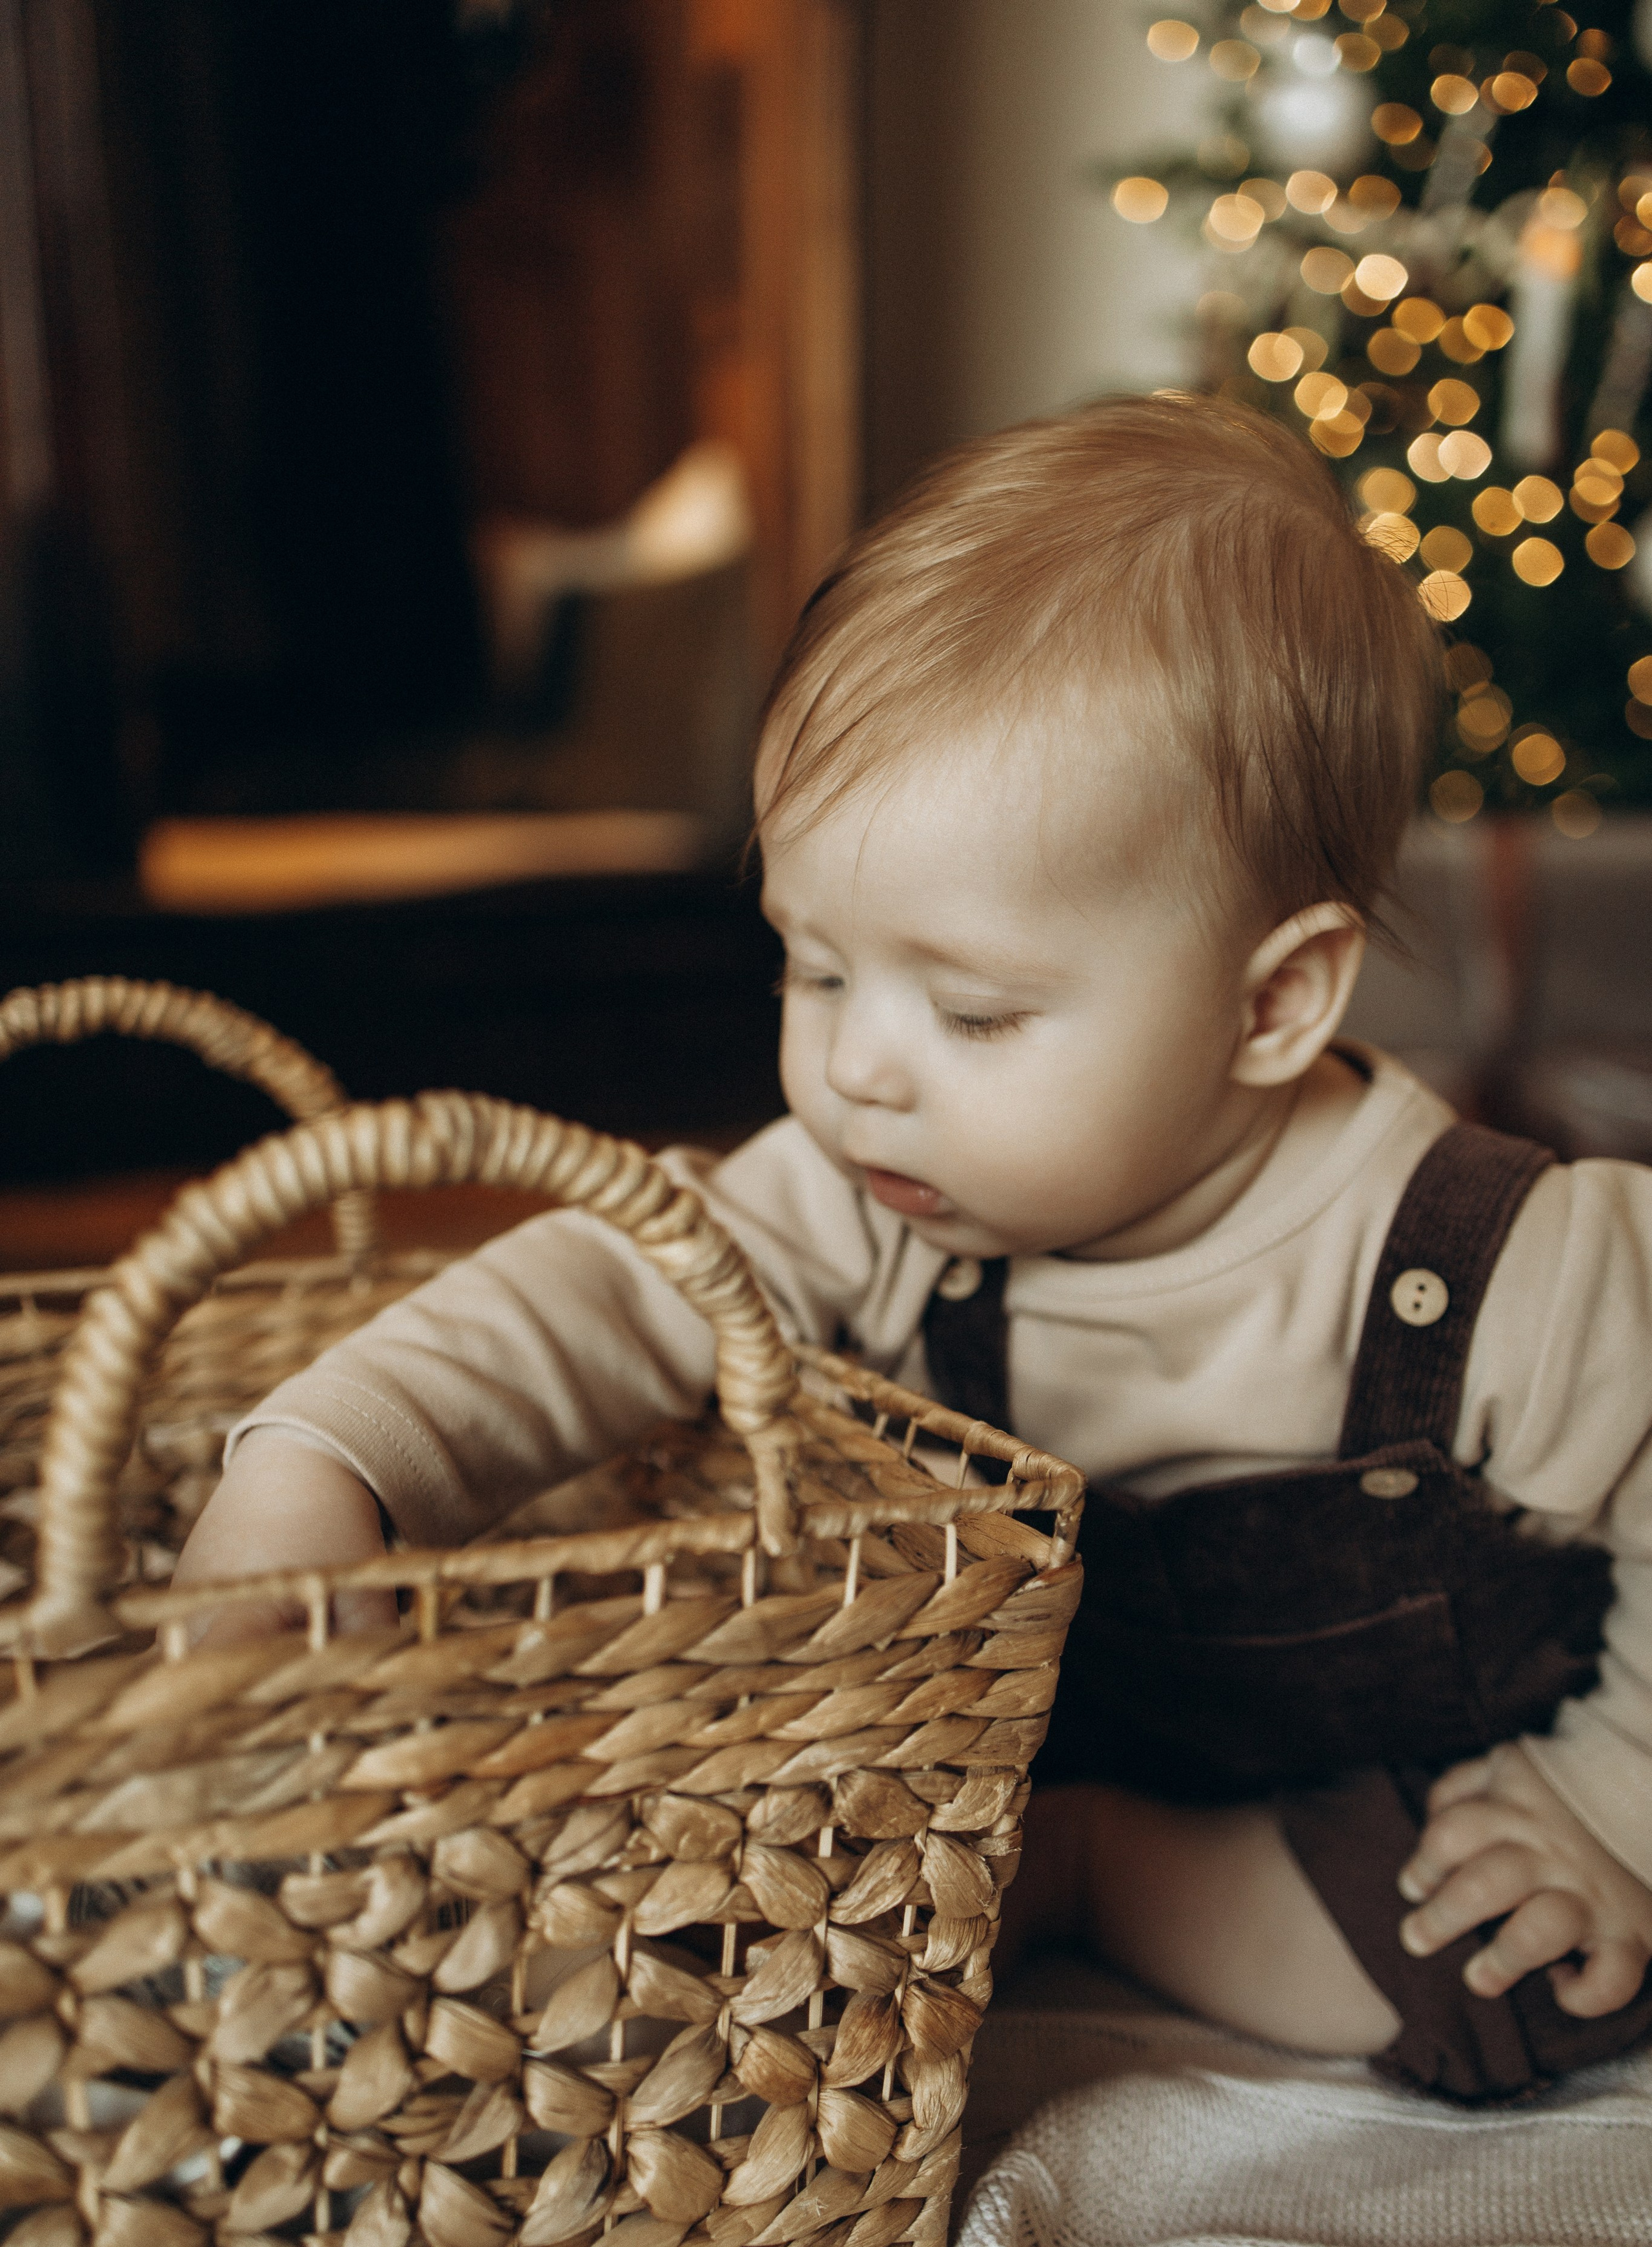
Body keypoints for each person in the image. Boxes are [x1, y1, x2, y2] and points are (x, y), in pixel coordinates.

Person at [174, 394, 1652, 2104]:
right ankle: (1026, 1852)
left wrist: (1608, 1797)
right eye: (812, 968)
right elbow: (611, 1281)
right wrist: (325, 1455)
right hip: (979, 1757)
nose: (856, 1069)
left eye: (972, 1010)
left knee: (1505, 1978)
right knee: (682, 1891)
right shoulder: (877, 1189)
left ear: (1273, 1003)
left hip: (1374, 1808)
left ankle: (1101, 1872)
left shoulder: (1511, 1265)